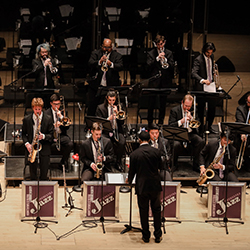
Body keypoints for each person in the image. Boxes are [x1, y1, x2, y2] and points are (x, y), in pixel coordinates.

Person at [126, 130, 162, 243]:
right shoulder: (156, 152)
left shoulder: (134, 154)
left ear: (139, 140)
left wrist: (129, 181)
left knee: (143, 211)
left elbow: (132, 172)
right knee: (156, 210)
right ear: (149, 140)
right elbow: (161, 167)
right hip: (155, 185)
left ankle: (146, 235)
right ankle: (157, 235)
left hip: (142, 186)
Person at [87, 38, 123, 116]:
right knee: (92, 107)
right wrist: (99, 62)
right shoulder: (96, 53)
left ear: (111, 47)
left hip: (110, 86)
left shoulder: (117, 55)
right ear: (102, 46)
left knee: (108, 108)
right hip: (96, 86)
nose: (106, 49)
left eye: (108, 47)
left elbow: (120, 66)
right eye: (104, 47)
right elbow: (90, 63)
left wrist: (111, 64)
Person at [168, 94, 204, 172]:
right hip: (178, 133)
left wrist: (192, 119)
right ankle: (173, 164)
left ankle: (196, 164)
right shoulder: (175, 110)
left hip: (189, 133)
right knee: (176, 144)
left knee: (200, 141)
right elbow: (170, 125)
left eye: (189, 106)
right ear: (182, 102)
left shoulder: (194, 111)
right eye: (186, 106)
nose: (187, 108)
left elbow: (199, 125)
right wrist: (181, 121)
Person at [22, 97, 54, 180]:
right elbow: (23, 134)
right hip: (32, 147)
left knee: (44, 174)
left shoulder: (48, 119)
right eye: (36, 109)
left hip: (44, 146)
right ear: (32, 108)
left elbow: (51, 135)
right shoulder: (27, 119)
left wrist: (43, 136)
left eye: (39, 109)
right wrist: (27, 144)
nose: (38, 111)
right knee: (32, 174)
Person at [147, 34, 174, 125]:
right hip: (154, 82)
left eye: (161, 44)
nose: (160, 46)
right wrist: (157, 59)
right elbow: (148, 67)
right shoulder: (151, 53)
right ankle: (150, 122)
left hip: (164, 82)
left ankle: (161, 123)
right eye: (158, 44)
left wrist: (165, 60)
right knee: (151, 104)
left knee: (163, 104)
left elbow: (172, 67)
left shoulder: (169, 53)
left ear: (164, 43)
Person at [95, 89, 126, 171]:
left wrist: (117, 112)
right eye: (110, 100)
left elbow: (122, 122)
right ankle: (106, 162)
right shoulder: (100, 108)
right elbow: (99, 123)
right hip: (105, 131)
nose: (111, 102)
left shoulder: (119, 106)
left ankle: (118, 162)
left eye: (113, 100)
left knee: (122, 142)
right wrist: (109, 118)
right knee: (105, 142)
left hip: (117, 130)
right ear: (106, 98)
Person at [191, 42, 218, 135]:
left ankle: (209, 126)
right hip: (202, 87)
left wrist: (213, 74)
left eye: (211, 52)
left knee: (212, 108)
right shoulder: (198, 59)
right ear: (204, 51)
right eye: (208, 53)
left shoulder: (212, 57)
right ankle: (201, 128)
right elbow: (194, 73)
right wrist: (203, 80)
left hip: (211, 86)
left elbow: (209, 69)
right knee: (201, 109)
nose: (209, 54)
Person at [44, 94, 73, 173]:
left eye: (58, 104)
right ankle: (45, 164)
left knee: (69, 144)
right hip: (50, 136)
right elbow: (44, 129)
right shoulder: (46, 113)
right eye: (55, 104)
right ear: (51, 103)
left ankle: (63, 162)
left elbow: (67, 127)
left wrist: (61, 117)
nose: (57, 106)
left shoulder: (63, 112)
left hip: (61, 135)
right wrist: (53, 126)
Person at [235, 93, 250, 171]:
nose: (248, 104)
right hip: (243, 132)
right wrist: (242, 133)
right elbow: (240, 122)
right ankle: (246, 162)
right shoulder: (240, 109)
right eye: (247, 102)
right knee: (243, 142)